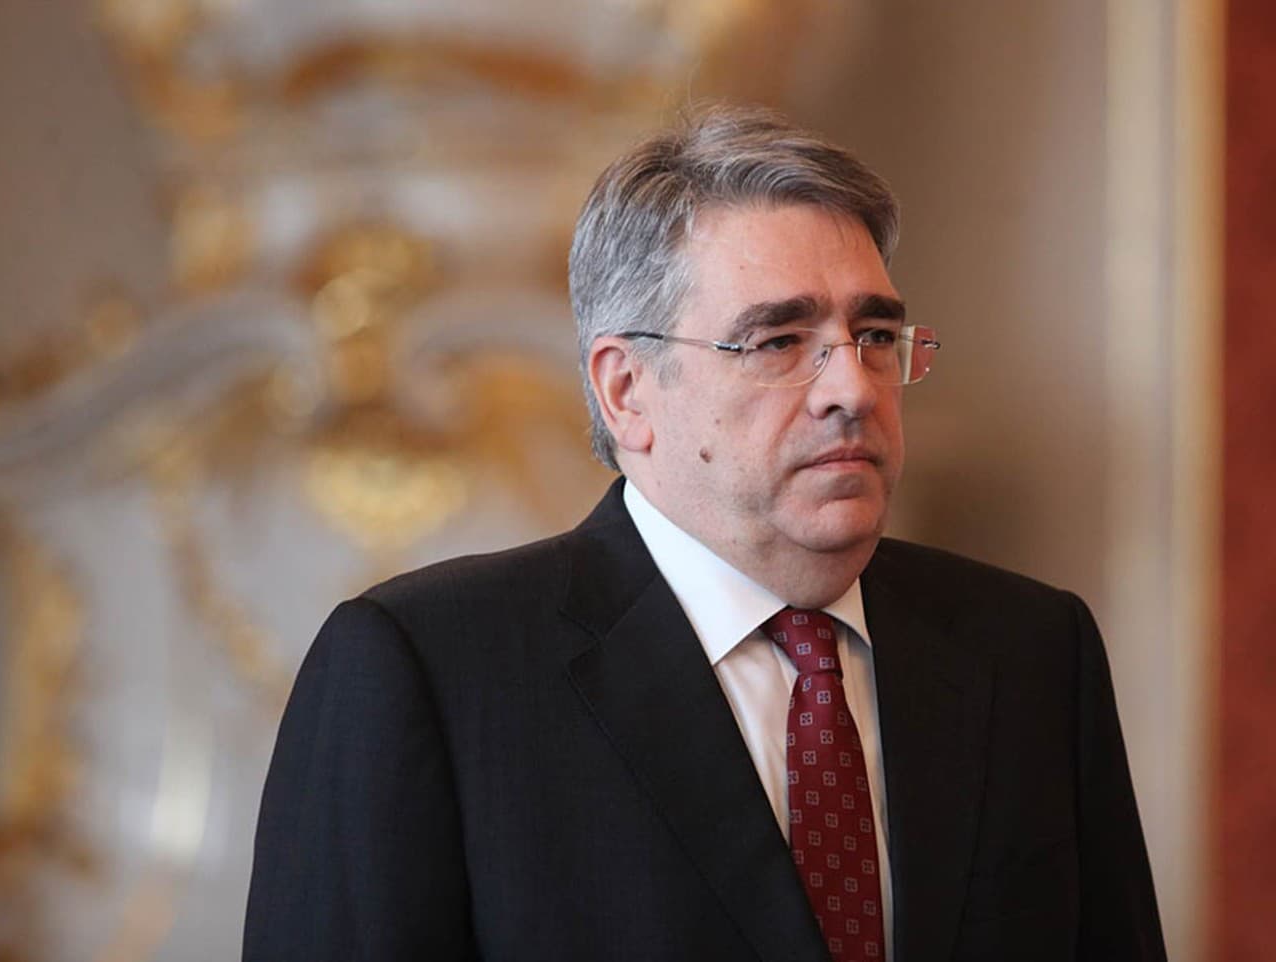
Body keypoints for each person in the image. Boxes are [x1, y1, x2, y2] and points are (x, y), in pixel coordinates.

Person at [243, 104, 1167, 962]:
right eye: (779, 342)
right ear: (626, 390)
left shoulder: (1031, 651)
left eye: (876, 336)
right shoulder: (429, 670)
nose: (852, 388)